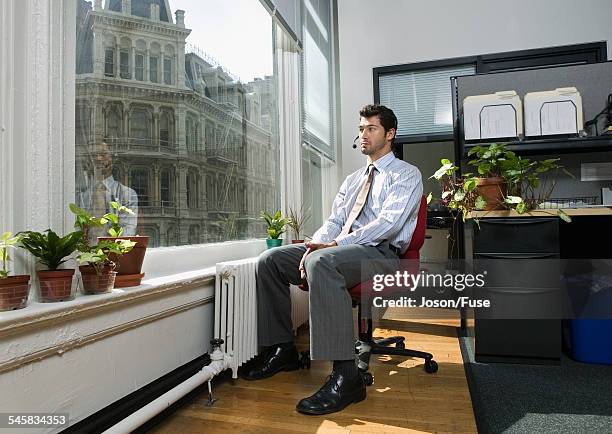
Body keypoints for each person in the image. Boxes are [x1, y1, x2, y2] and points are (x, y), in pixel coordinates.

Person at [242, 104, 423, 415]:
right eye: (361, 128)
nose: (363, 134)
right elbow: (335, 221)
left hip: (381, 253)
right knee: (270, 260)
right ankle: (281, 348)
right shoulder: (353, 180)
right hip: (341, 248)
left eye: (371, 129)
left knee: (322, 263)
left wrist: (332, 246)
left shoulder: (406, 174)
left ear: (390, 134)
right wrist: (315, 244)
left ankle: (346, 377)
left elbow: (388, 224)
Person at [76, 141, 139, 239]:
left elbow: (127, 232)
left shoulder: (128, 194)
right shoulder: (81, 197)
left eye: (103, 154)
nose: (98, 158)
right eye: (93, 155)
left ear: (112, 158)